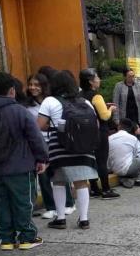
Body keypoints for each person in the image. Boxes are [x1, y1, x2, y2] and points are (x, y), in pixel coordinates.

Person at [37, 70, 99, 229]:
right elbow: (95, 125)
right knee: (81, 182)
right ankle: (84, 219)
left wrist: (55, 126)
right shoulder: (85, 102)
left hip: (59, 146)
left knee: (58, 181)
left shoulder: (50, 101)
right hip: (83, 147)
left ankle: (61, 218)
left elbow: (40, 125)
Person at [0, 72, 49, 250]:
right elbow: (35, 138)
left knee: (2, 203)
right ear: (12, 91)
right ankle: (27, 237)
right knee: (24, 202)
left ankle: (6, 239)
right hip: (20, 167)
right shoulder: (20, 111)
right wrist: (42, 158)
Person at [25, 73, 75, 219]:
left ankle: (69, 203)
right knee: (43, 176)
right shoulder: (27, 105)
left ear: (44, 86)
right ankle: (51, 207)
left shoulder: (52, 101)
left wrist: (45, 127)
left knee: (59, 173)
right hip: (38, 143)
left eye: (37, 85)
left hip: (55, 140)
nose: (33, 88)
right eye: (31, 85)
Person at [80, 68, 120, 200]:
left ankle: (94, 188)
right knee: (102, 160)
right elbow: (104, 116)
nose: (99, 80)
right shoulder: (96, 95)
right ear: (91, 81)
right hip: (100, 132)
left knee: (92, 160)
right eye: (97, 78)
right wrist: (111, 109)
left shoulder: (80, 95)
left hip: (86, 132)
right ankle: (106, 189)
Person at [107, 118, 140, 188]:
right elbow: (138, 154)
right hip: (127, 169)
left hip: (113, 169)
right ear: (130, 128)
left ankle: (125, 179)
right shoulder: (132, 138)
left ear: (119, 126)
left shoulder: (109, 138)